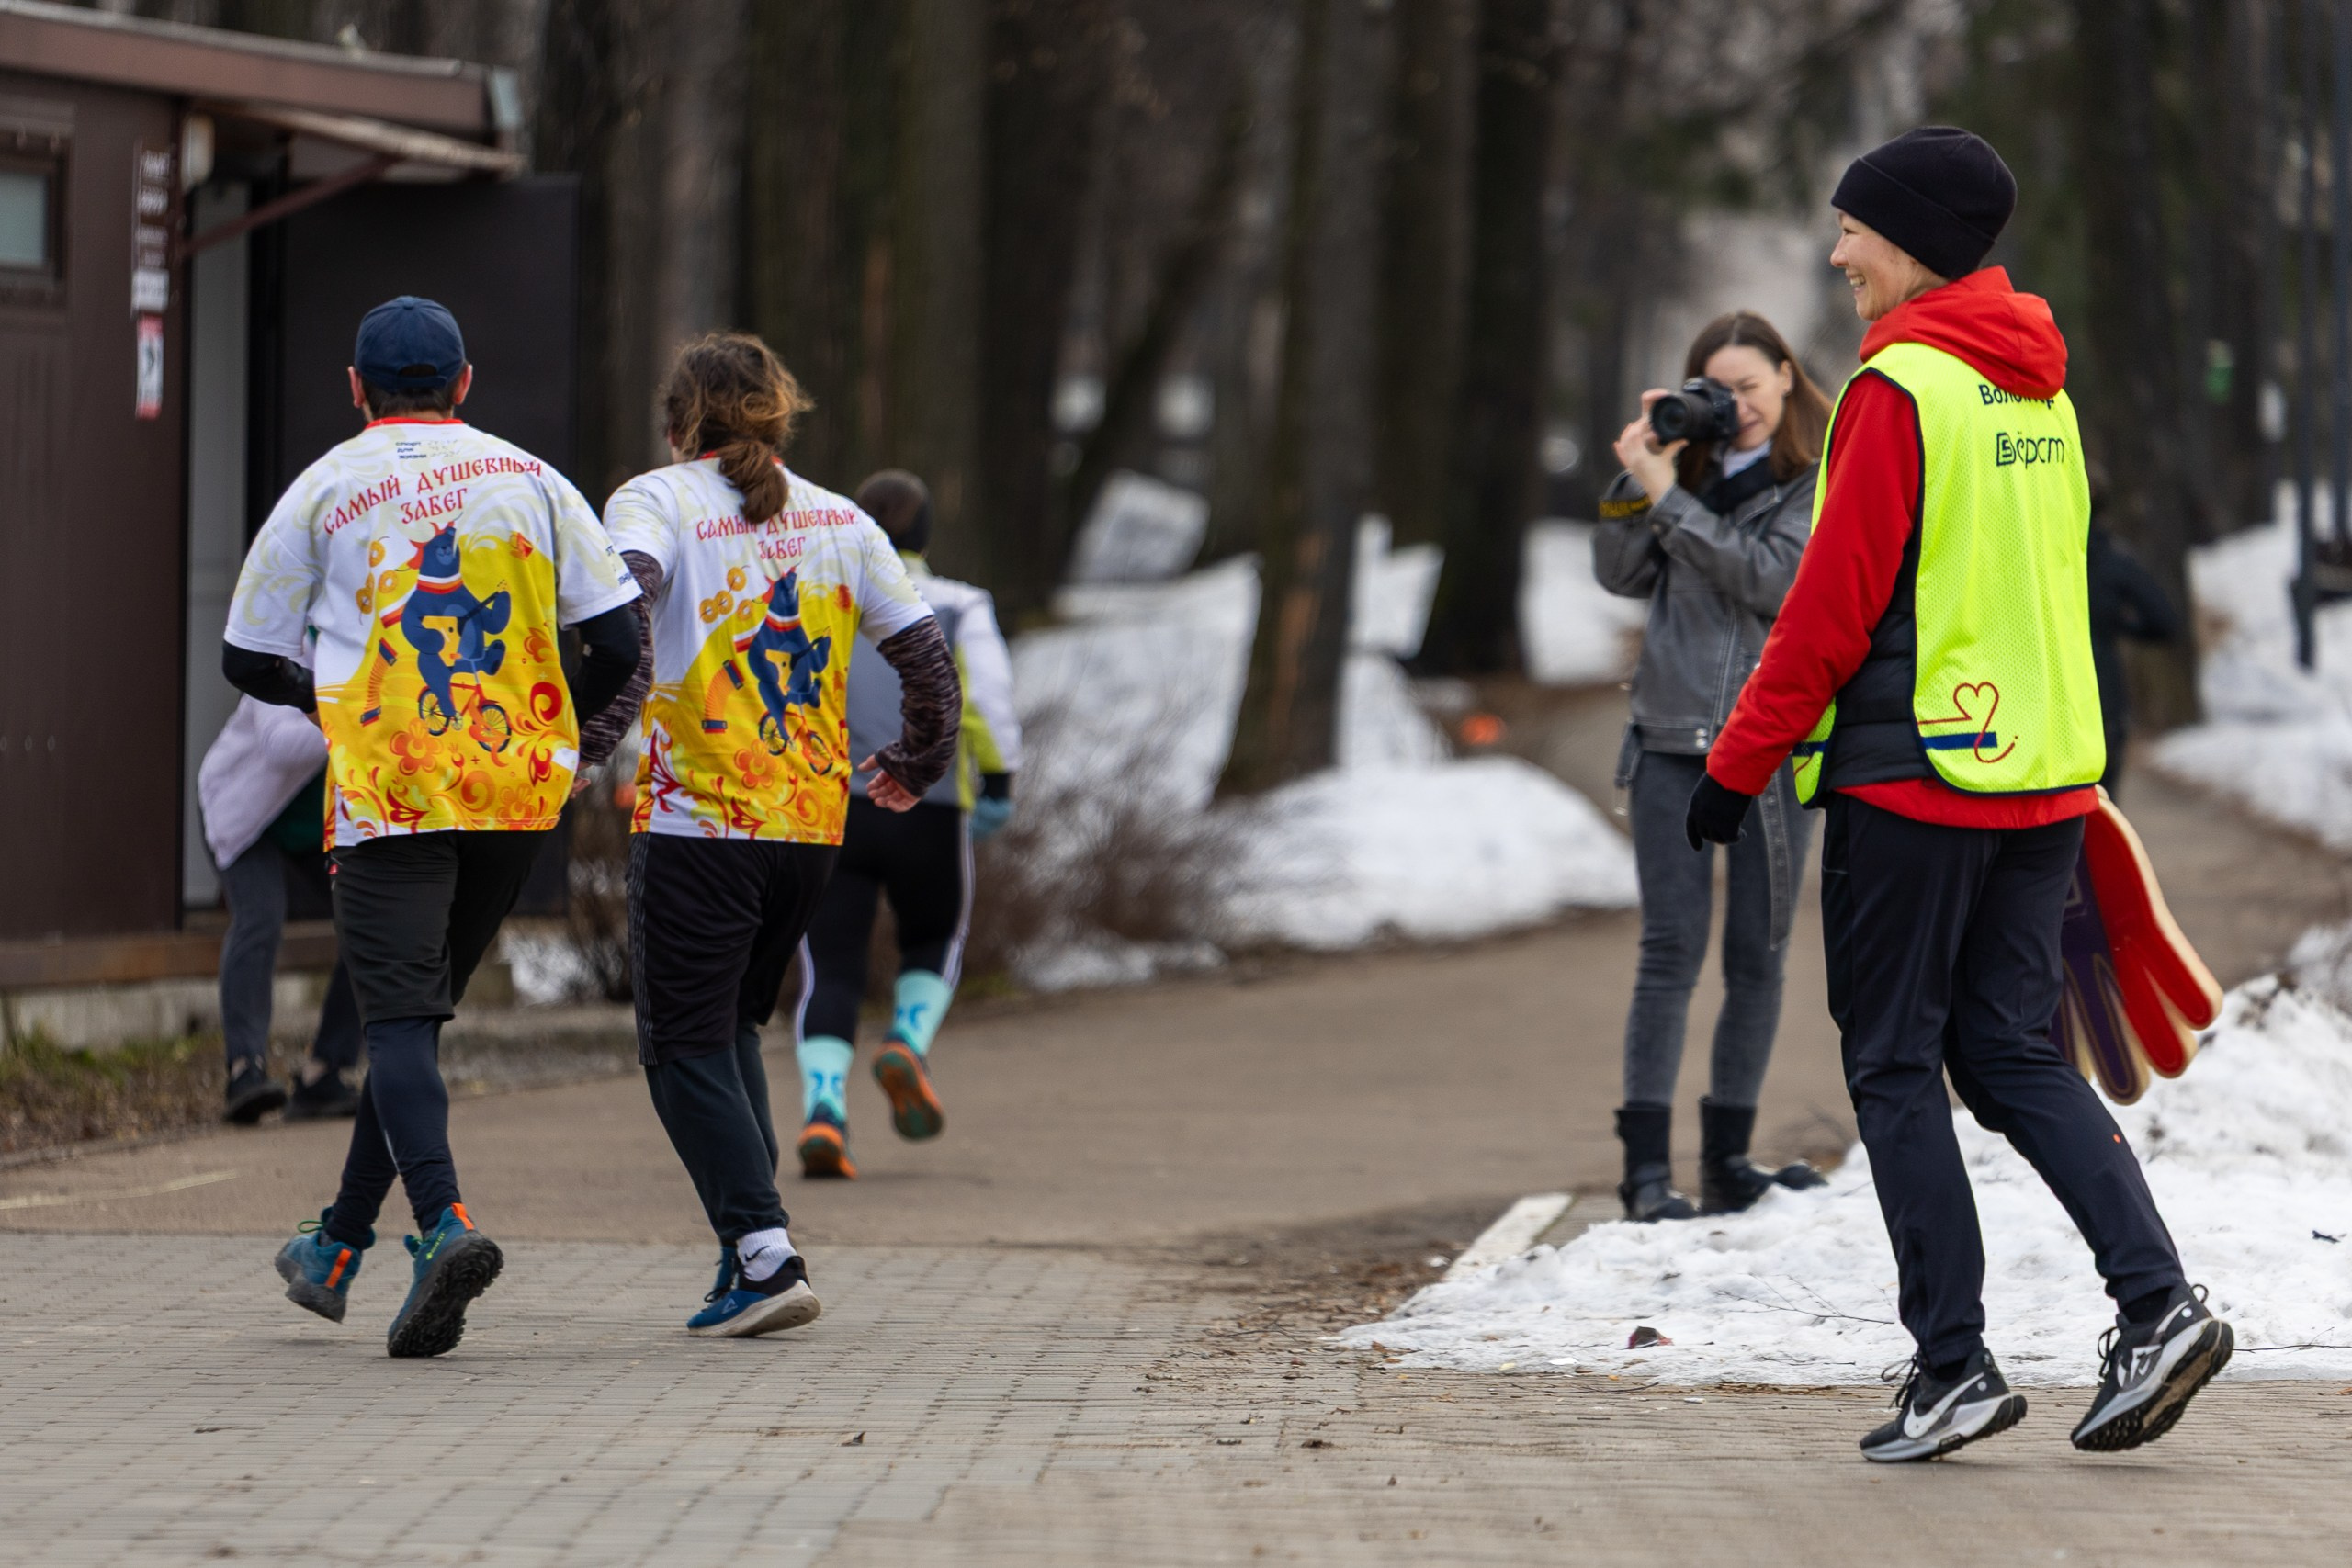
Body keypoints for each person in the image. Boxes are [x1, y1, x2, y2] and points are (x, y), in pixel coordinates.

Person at [1687, 128, 2232, 1461]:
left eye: (1854, 231)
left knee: (1891, 1059)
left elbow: (1832, 603)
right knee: (2009, 1053)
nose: (1837, 253)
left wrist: (1737, 762)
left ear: (1913, 238)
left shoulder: (1902, 387)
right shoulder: (2036, 388)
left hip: (1916, 775)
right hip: (2038, 777)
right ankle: (2158, 1305)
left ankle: (1952, 1367)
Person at [228, 296, 643, 1358]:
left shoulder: (325, 483)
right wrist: (564, 737)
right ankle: (335, 1245)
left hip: (392, 793)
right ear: (464, 384)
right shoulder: (534, 479)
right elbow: (614, 640)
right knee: (415, 1018)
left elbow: (244, 653)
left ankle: (445, 1225)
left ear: (356, 389)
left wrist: (333, 700)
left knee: (399, 1027)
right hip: (514, 788)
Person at [594, 335, 960, 1337]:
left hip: (698, 824)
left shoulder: (654, 500)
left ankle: (762, 1253)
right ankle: (743, 1256)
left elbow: (623, 621)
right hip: (808, 827)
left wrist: (588, 740)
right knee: (727, 1039)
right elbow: (926, 660)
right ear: (778, 418)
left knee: (679, 1049)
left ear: (678, 424)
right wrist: (914, 765)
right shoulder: (844, 519)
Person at [1594, 311, 1832, 1222]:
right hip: (1666, 743)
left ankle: (1728, 1162)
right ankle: (1645, 1176)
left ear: (1783, 377)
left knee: (1756, 958)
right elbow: (1617, 572)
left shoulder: (1812, 483)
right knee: (1667, 955)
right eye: (1714, 390)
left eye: (1748, 387)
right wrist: (1638, 469)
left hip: (1768, 749)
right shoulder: (1674, 472)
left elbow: (1767, 580)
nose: (1733, 406)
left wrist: (1669, 495)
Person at [790, 468, 1023, 1179]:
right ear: (924, 536)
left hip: (833, 804)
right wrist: (999, 776)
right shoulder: (958, 603)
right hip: (930, 803)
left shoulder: (816, 596)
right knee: (934, 939)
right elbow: (983, 694)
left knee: (829, 970)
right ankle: (907, 1042)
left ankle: (824, 1108)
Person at [198, 695, 364, 1123]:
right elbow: (279, 743)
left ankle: (323, 1073)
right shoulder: (285, 657)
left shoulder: (375, 667)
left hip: (316, 830)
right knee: (260, 919)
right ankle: (244, 1071)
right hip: (245, 818)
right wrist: (360, 719)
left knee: (369, 925)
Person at [2085, 508, 2180, 797]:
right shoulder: (2111, 558)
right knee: (2103, 814)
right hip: (2103, 698)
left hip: (2044, 703)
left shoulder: (2033, 552)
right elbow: (2164, 621)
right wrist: (2121, 625)